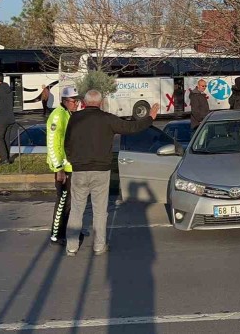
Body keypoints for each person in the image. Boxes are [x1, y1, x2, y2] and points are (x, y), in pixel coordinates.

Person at [64, 90, 159, 257]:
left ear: (84, 103)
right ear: (100, 103)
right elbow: (131, 127)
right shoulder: (107, 119)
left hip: (79, 170)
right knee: (100, 210)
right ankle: (99, 246)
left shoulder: (74, 118)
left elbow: (67, 143)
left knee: (77, 209)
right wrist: (150, 117)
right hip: (101, 170)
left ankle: (71, 246)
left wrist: (73, 160)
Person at [46, 86, 82, 247]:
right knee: (63, 202)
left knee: (72, 203)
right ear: (66, 101)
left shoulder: (67, 114)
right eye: (74, 101)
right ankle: (56, 234)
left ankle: (70, 230)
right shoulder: (58, 116)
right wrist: (58, 168)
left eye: (78, 101)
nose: (77, 104)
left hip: (70, 167)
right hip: (63, 169)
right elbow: (53, 144)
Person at [0, 72, 15, 165]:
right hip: (10, 118)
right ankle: (8, 158)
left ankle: (4, 159)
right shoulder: (8, 89)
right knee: (6, 138)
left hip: (1, 118)